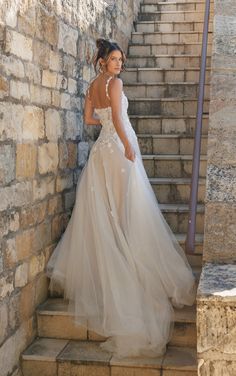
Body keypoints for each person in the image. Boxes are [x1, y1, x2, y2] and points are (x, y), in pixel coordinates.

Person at [46, 38, 197, 359]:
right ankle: (129, 261)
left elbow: (91, 119)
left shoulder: (93, 84)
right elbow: (115, 115)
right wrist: (127, 145)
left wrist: (109, 129)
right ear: (103, 61)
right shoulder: (115, 83)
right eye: (114, 59)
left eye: (121, 60)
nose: (119, 64)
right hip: (118, 149)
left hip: (102, 150)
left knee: (109, 210)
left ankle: (117, 259)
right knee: (127, 209)